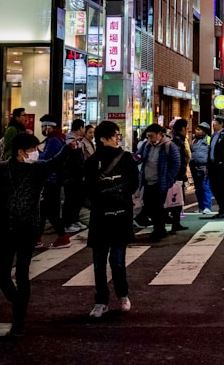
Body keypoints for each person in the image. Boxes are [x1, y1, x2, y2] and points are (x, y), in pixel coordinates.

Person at [0, 131, 77, 336]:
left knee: (22, 273)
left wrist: (67, 148)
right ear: (21, 152)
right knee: (2, 276)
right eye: (33, 150)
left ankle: (19, 318)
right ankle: (19, 303)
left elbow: (54, 162)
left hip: (28, 229)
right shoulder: (0, 169)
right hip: (5, 229)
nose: (36, 153)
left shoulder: (37, 169)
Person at [84, 120, 139, 319]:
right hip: (100, 216)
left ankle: (122, 295)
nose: (118, 138)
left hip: (120, 215)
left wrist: (118, 193)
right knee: (99, 262)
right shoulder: (92, 161)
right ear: (103, 138)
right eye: (115, 135)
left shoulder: (126, 158)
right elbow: (87, 187)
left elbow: (134, 182)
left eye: (118, 135)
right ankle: (101, 301)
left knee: (117, 260)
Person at [135, 124, 179, 241]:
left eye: (151, 136)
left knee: (157, 207)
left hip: (160, 183)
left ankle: (158, 230)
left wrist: (169, 178)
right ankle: (160, 229)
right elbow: (138, 156)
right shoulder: (146, 145)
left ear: (160, 134)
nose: (149, 139)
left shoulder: (169, 146)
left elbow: (176, 164)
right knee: (149, 206)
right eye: (148, 136)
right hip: (147, 181)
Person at [37, 115, 71, 249]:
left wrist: (36, 153)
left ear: (51, 127)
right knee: (45, 211)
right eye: (42, 127)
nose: (43, 129)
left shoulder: (53, 141)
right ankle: (38, 238)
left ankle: (62, 236)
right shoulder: (59, 139)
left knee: (47, 210)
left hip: (50, 180)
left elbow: (46, 158)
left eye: (45, 126)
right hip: (53, 180)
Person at [62, 119, 88, 233]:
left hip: (77, 175)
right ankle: (67, 223)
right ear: (80, 128)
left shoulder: (79, 140)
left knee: (77, 199)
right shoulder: (70, 139)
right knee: (70, 199)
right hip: (71, 175)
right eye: (84, 128)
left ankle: (74, 219)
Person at [204, 115, 224, 219]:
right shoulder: (213, 136)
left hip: (221, 166)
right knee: (213, 187)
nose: (213, 124)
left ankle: (223, 209)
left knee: (219, 188)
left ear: (221, 124)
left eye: (215, 122)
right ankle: (223, 206)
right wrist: (208, 166)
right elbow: (210, 151)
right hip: (212, 165)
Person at [164, 119, 191, 233]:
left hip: (175, 174)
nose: (187, 131)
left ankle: (174, 222)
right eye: (187, 129)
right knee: (176, 199)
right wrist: (180, 174)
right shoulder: (177, 141)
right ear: (183, 129)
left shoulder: (174, 139)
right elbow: (178, 160)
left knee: (174, 199)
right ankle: (174, 222)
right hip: (176, 175)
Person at [190, 122, 212, 213]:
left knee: (205, 186)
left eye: (199, 130)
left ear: (204, 131)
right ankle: (201, 206)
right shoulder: (194, 141)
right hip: (195, 167)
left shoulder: (209, 140)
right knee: (198, 188)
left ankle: (207, 206)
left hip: (205, 167)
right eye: (196, 129)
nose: (196, 131)